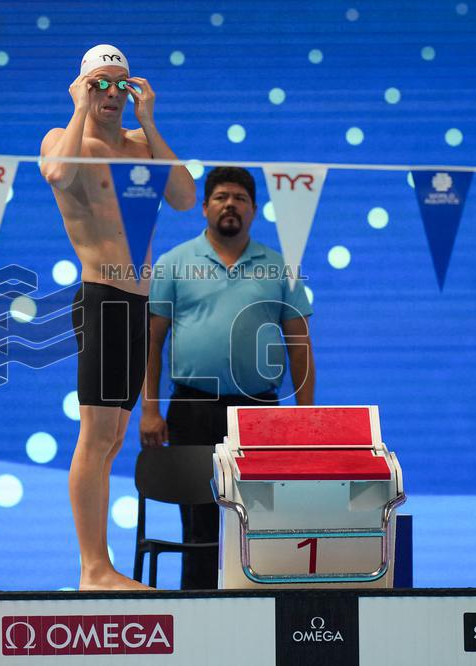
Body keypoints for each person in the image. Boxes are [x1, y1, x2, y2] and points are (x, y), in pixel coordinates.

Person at [39, 44, 196, 590]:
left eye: (119, 86)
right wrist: (78, 106)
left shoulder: (141, 148)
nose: (110, 94)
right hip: (103, 298)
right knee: (96, 433)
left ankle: (99, 565)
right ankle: (93, 569)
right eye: (99, 84)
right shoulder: (66, 141)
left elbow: (183, 197)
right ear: (82, 87)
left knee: (111, 440)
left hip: (137, 304)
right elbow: (58, 174)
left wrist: (150, 121)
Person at [140, 166, 315, 589]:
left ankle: (261, 607)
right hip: (191, 408)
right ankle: (196, 618)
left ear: (254, 209)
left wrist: (307, 419)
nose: (230, 204)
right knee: (198, 526)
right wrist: (149, 409)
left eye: (239, 197)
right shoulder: (173, 263)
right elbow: (152, 343)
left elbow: (300, 346)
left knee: (260, 521)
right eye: (220, 197)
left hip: (259, 414)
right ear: (204, 207)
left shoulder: (279, 268)